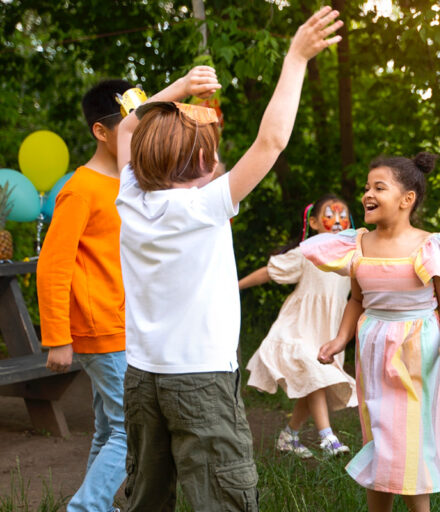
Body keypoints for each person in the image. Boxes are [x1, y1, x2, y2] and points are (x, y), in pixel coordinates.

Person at [114, 7, 343, 511]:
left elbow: (129, 130)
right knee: (222, 499)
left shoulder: (131, 197)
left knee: (145, 498)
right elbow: (272, 141)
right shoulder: (203, 206)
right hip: (200, 382)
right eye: (214, 151)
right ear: (201, 164)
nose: (221, 160)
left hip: (142, 378)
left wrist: (176, 88)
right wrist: (296, 58)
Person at [300, 152, 440, 512]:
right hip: (374, 349)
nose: (367, 194)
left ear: (407, 200)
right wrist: (340, 339)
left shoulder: (429, 246)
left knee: (407, 441)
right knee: (379, 435)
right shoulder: (357, 244)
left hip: (417, 352)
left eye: (379, 187)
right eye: (366, 187)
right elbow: (357, 300)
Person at [37, 79, 132, 512]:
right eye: (130, 127)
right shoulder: (80, 189)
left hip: (124, 325)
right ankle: (86, 508)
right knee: (132, 430)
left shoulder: (128, 185)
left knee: (109, 429)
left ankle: (97, 505)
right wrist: (57, 336)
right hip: (100, 330)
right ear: (101, 131)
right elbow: (52, 266)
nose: (139, 134)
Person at [240, 194, 357, 458]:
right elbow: (270, 272)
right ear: (313, 222)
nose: (338, 221)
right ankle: (327, 438)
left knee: (316, 382)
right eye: (330, 215)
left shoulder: (354, 255)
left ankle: (289, 436)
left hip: (329, 329)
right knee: (314, 372)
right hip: (300, 326)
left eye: (343, 215)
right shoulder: (308, 252)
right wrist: (235, 287)